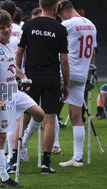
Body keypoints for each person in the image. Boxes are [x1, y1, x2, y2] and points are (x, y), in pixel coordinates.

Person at [0, 10, 44, 187]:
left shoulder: (11, 42)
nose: (6, 30)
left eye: (8, 27)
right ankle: (5, 179)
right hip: (1, 94)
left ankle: (23, 144)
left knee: (39, 113)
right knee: (0, 137)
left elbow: (12, 65)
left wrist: (22, 76)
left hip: (14, 91)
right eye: (2, 28)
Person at [16, 0, 70, 174]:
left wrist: (18, 75)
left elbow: (19, 51)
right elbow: (64, 60)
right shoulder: (60, 29)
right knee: (49, 119)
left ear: (41, 5)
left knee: (23, 117)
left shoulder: (29, 25)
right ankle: (46, 164)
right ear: (55, 7)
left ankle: (15, 159)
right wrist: (66, 84)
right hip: (51, 78)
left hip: (31, 78)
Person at [57, 0, 97, 167]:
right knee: (76, 117)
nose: (60, 19)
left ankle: (50, 148)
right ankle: (78, 157)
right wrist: (89, 74)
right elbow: (93, 51)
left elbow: (58, 49)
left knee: (48, 112)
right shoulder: (91, 24)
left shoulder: (67, 24)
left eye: (59, 16)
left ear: (63, 12)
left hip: (64, 73)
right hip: (81, 74)